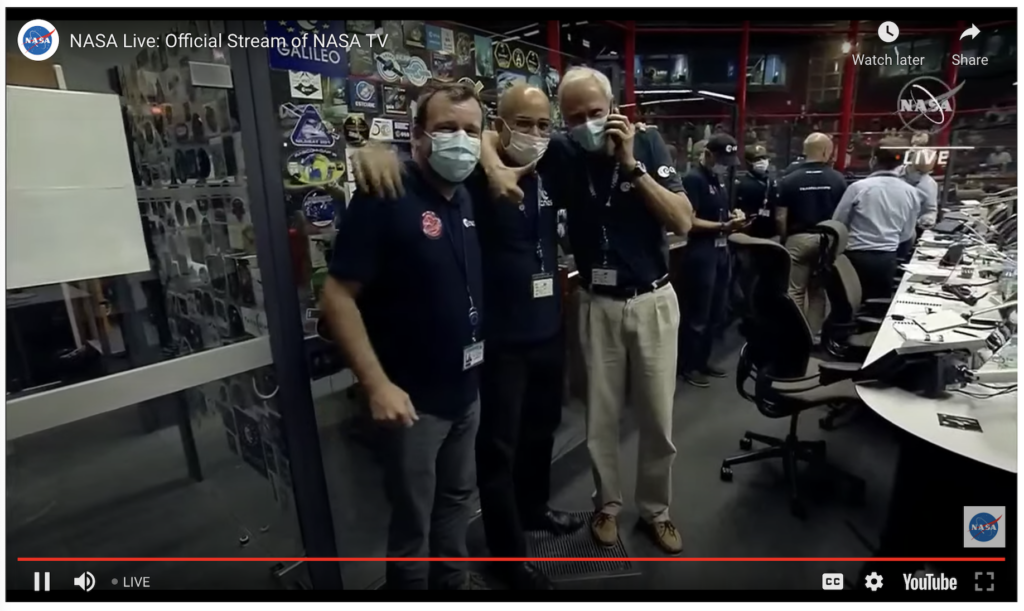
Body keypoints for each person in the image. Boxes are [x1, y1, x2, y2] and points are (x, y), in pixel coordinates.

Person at [346, 83, 582, 590]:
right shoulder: (454, 179)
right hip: (456, 365)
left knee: (465, 488)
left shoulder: (539, 168)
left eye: (545, 124)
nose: (536, 134)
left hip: (507, 353)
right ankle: (493, 565)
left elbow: (593, 132)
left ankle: (459, 579)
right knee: (434, 498)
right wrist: (373, 149)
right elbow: (341, 296)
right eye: (524, 123)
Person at [479, 66, 694, 554]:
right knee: (599, 417)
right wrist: (492, 165)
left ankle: (656, 509)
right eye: (574, 116)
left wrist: (632, 164)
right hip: (596, 303)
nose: (587, 124)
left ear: (614, 109)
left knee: (657, 417)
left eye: (596, 113)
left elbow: (682, 219)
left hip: (652, 299)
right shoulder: (562, 151)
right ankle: (607, 504)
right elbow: (491, 140)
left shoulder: (649, 144)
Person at [319, 83, 488, 590]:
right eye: (446, 129)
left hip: (465, 391)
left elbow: (509, 146)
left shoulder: (466, 195)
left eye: (471, 131)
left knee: (457, 500)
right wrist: (376, 385)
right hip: (413, 401)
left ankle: (454, 586)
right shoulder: (385, 195)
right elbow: (337, 297)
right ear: (417, 137)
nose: (461, 140)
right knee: (412, 521)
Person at [679, 135, 747, 388]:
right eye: (720, 159)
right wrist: (723, 225)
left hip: (721, 251)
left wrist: (733, 217)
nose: (723, 165)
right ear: (707, 154)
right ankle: (688, 365)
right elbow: (689, 221)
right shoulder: (693, 180)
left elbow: (718, 213)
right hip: (702, 251)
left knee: (716, 312)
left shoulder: (717, 181)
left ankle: (703, 360)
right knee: (698, 314)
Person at [833, 137, 923, 301]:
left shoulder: (858, 188)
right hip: (886, 260)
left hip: (854, 258)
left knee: (848, 303)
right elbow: (907, 234)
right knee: (877, 305)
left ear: (873, 160)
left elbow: (838, 224)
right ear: (901, 165)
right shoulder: (911, 192)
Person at [775, 133, 847, 334]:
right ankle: (814, 334)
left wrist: (784, 239)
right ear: (826, 151)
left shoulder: (789, 180)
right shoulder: (838, 179)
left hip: (798, 239)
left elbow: (780, 217)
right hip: (828, 240)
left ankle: (796, 334)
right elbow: (843, 215)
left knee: (794, 290)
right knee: (818, 290)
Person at [734, 144, 778, 240]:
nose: (762, 162)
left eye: (764, 158)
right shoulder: (741, 184)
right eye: (757, 159)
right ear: (748, 162)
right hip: (749, 233)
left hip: (771, 232)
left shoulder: (773, 181)